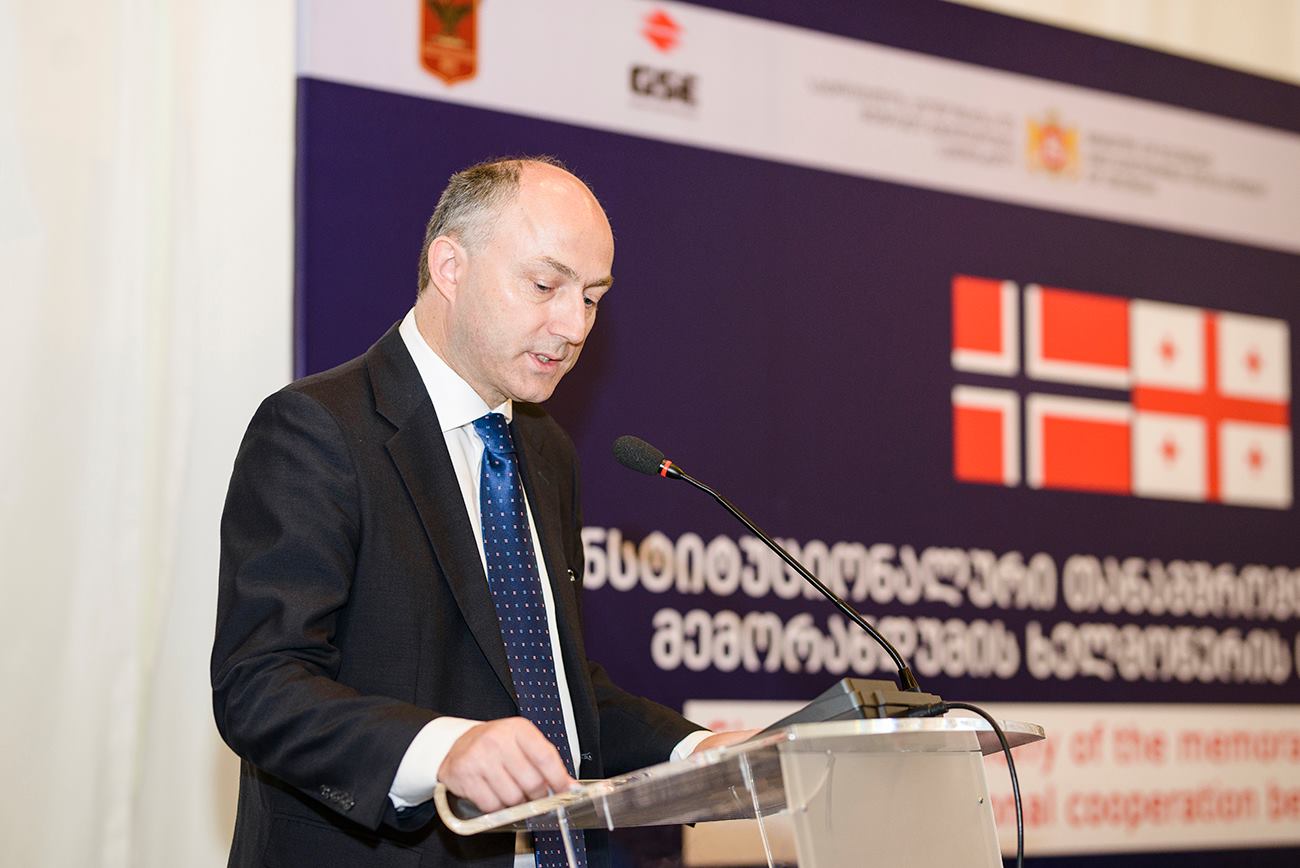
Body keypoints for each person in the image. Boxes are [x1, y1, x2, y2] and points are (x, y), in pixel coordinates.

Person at [211, 156, 749, 868]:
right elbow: (260, 686)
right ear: (450, 267)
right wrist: (444, 751)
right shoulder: (319, 429)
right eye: (545, 285)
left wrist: (695, 750)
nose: (574, 325)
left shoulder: (546, 449)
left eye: (592, 297)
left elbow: (551, 688)